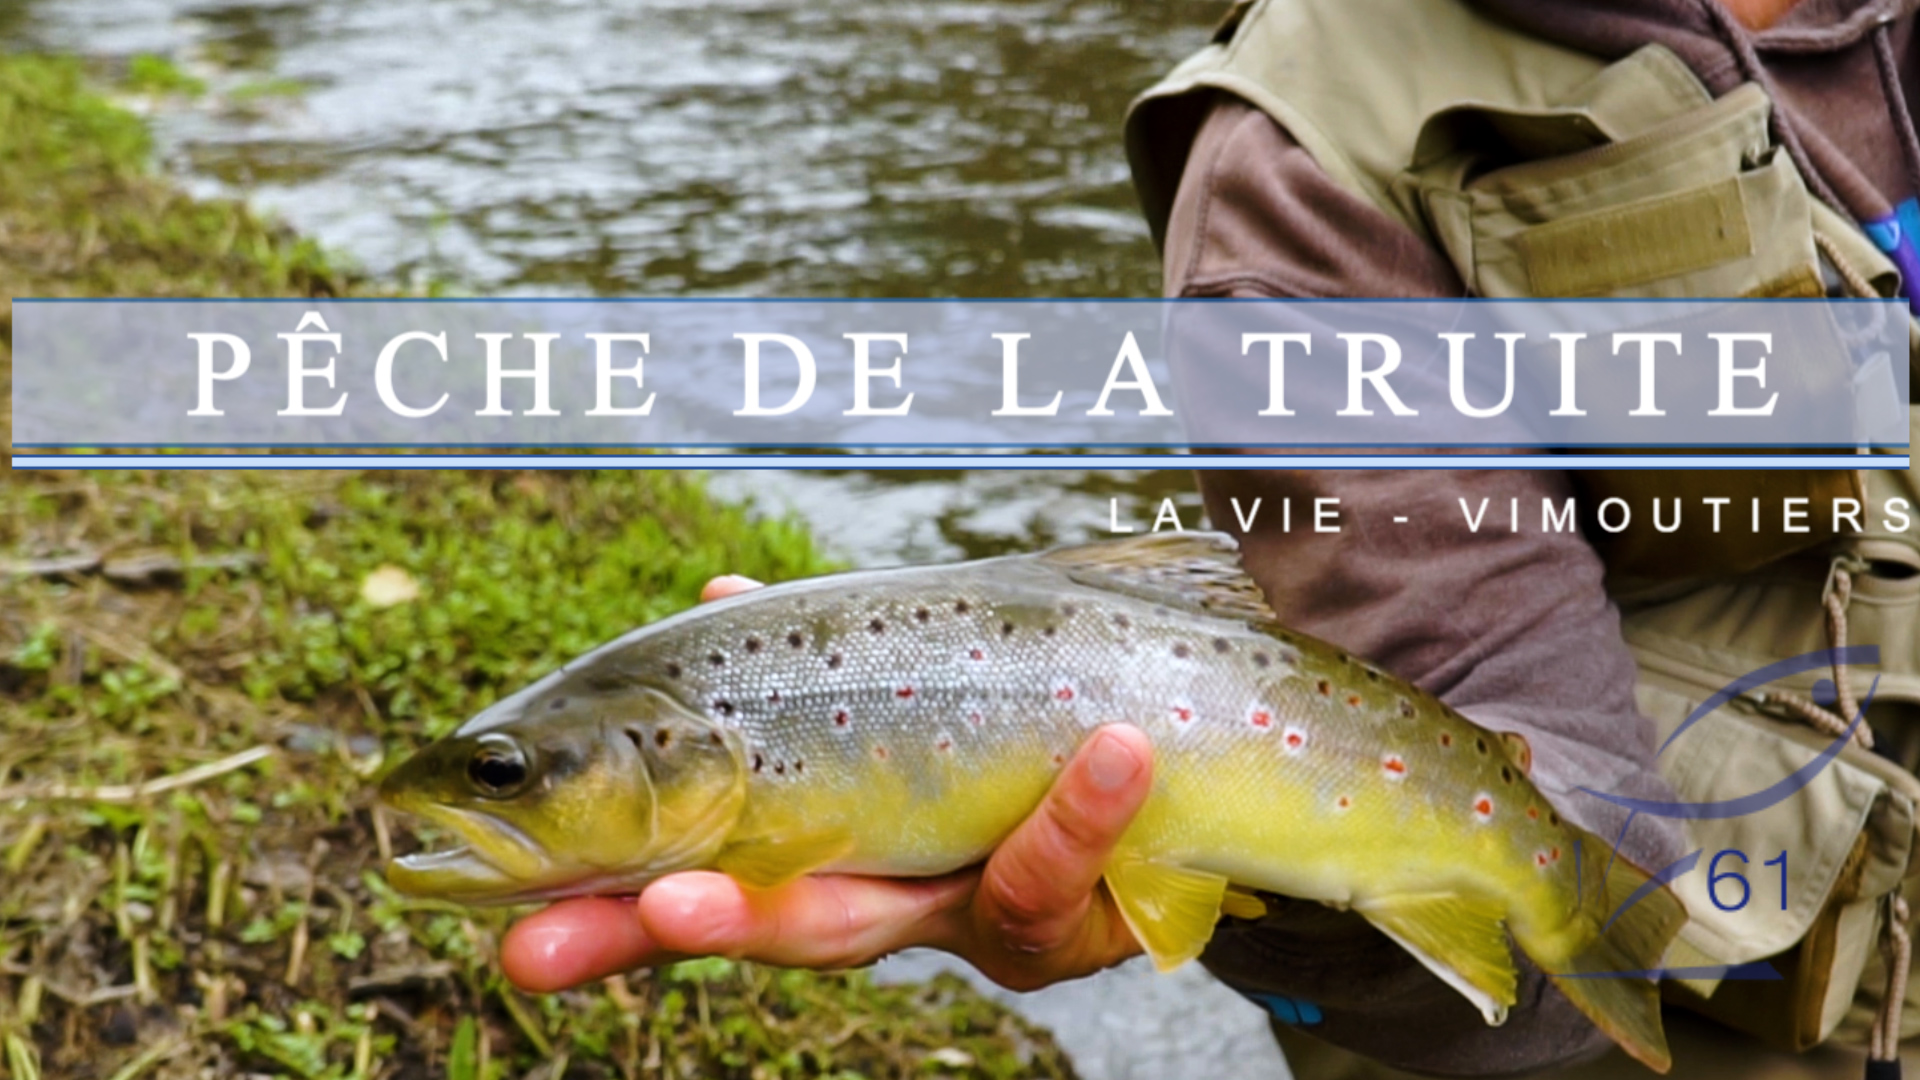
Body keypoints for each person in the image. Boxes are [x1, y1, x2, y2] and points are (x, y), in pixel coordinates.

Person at [504, 0, 1920, 1075]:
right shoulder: (1312, 159)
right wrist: (1263, 893)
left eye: (513, 775)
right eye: (511, 778)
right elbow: (1545, 882)